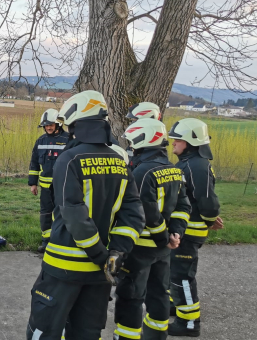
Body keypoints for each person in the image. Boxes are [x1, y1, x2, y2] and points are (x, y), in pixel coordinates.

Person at [26, 90, 145, 340]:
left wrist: (99, 254)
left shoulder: (69, 159)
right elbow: (133, 214)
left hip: (63, 267)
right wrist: (115, 253)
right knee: (87, 333)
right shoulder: (119, 161)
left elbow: (73, 214)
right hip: (100, 273)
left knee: (43, 328)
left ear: (77, 124)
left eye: (69, 126)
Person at [113, 119, 191, 340]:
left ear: (143, 139)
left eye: (132, 142)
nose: (130, 147)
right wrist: (176, 233)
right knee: (159, 295)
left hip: (141, 249)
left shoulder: (142, 172)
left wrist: (163, 237)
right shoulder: (174, 170)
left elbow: (145, 212)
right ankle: (156, 336)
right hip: (164, 251)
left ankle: (127, 337)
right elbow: (183, 206)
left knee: (131, 297)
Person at [167, 118, 223, 337]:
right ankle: (176, 305)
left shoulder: (195, 165)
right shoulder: (189, 163)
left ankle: (189, 323)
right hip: (185, 229)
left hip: (190, 231)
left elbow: (207, 200)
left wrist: (210, 219)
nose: (173, 144)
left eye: (177, 140)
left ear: (189, 142)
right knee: (175, 273)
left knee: (182, 276)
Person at [28, 109, 69, 253]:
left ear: (58, 124)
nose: (48, 127)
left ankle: (61, 241)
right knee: (45, 214)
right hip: (45, 187)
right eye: (45, 125)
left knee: (63, 213)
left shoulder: (69, 140)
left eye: (51, 124)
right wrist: (33, 183)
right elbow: (34, 163)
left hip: (63, 186)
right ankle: (46, 242)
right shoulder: (40, 141)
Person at [125, 102, 161, 169]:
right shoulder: (136, 142)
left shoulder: (153, 147)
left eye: (135, 121)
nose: (132, 124)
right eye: (132, 121)